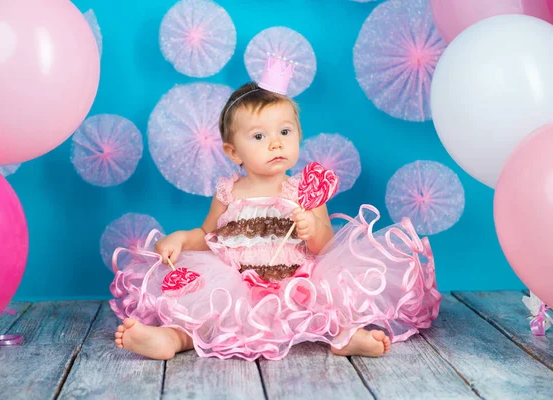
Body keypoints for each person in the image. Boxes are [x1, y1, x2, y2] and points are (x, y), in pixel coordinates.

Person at [110, 57, 441, 361]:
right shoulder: (229, 191)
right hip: (236, 281)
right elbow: (208, 234)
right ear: (233, 152)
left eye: (285, 132)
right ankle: (172, 339)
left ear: (298, 135)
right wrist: (181, 239)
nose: (276, 143)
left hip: (295, 281)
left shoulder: (303, 190)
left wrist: (311, 226)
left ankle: (345, 339)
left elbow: (325, 245)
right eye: (258, 136)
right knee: (205, 313)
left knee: (328, 304)